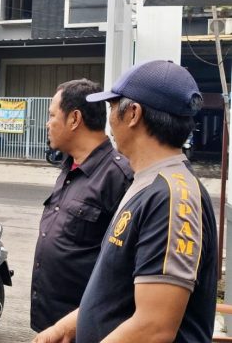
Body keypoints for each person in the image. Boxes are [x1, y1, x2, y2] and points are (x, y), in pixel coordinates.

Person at [34, 60, 217, 343]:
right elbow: (118, 292)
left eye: (111, 107)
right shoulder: (146, 182)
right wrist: (66, 327)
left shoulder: (172, 196)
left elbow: (153, 327)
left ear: (132, 113)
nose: (108, 119)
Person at [30, 79, 133, 332]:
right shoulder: (69, 167)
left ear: (74, 119)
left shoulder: (120, 177)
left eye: (52, 115)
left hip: (87, 328)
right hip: (51, 322)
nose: (48, 123)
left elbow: (125, 271)